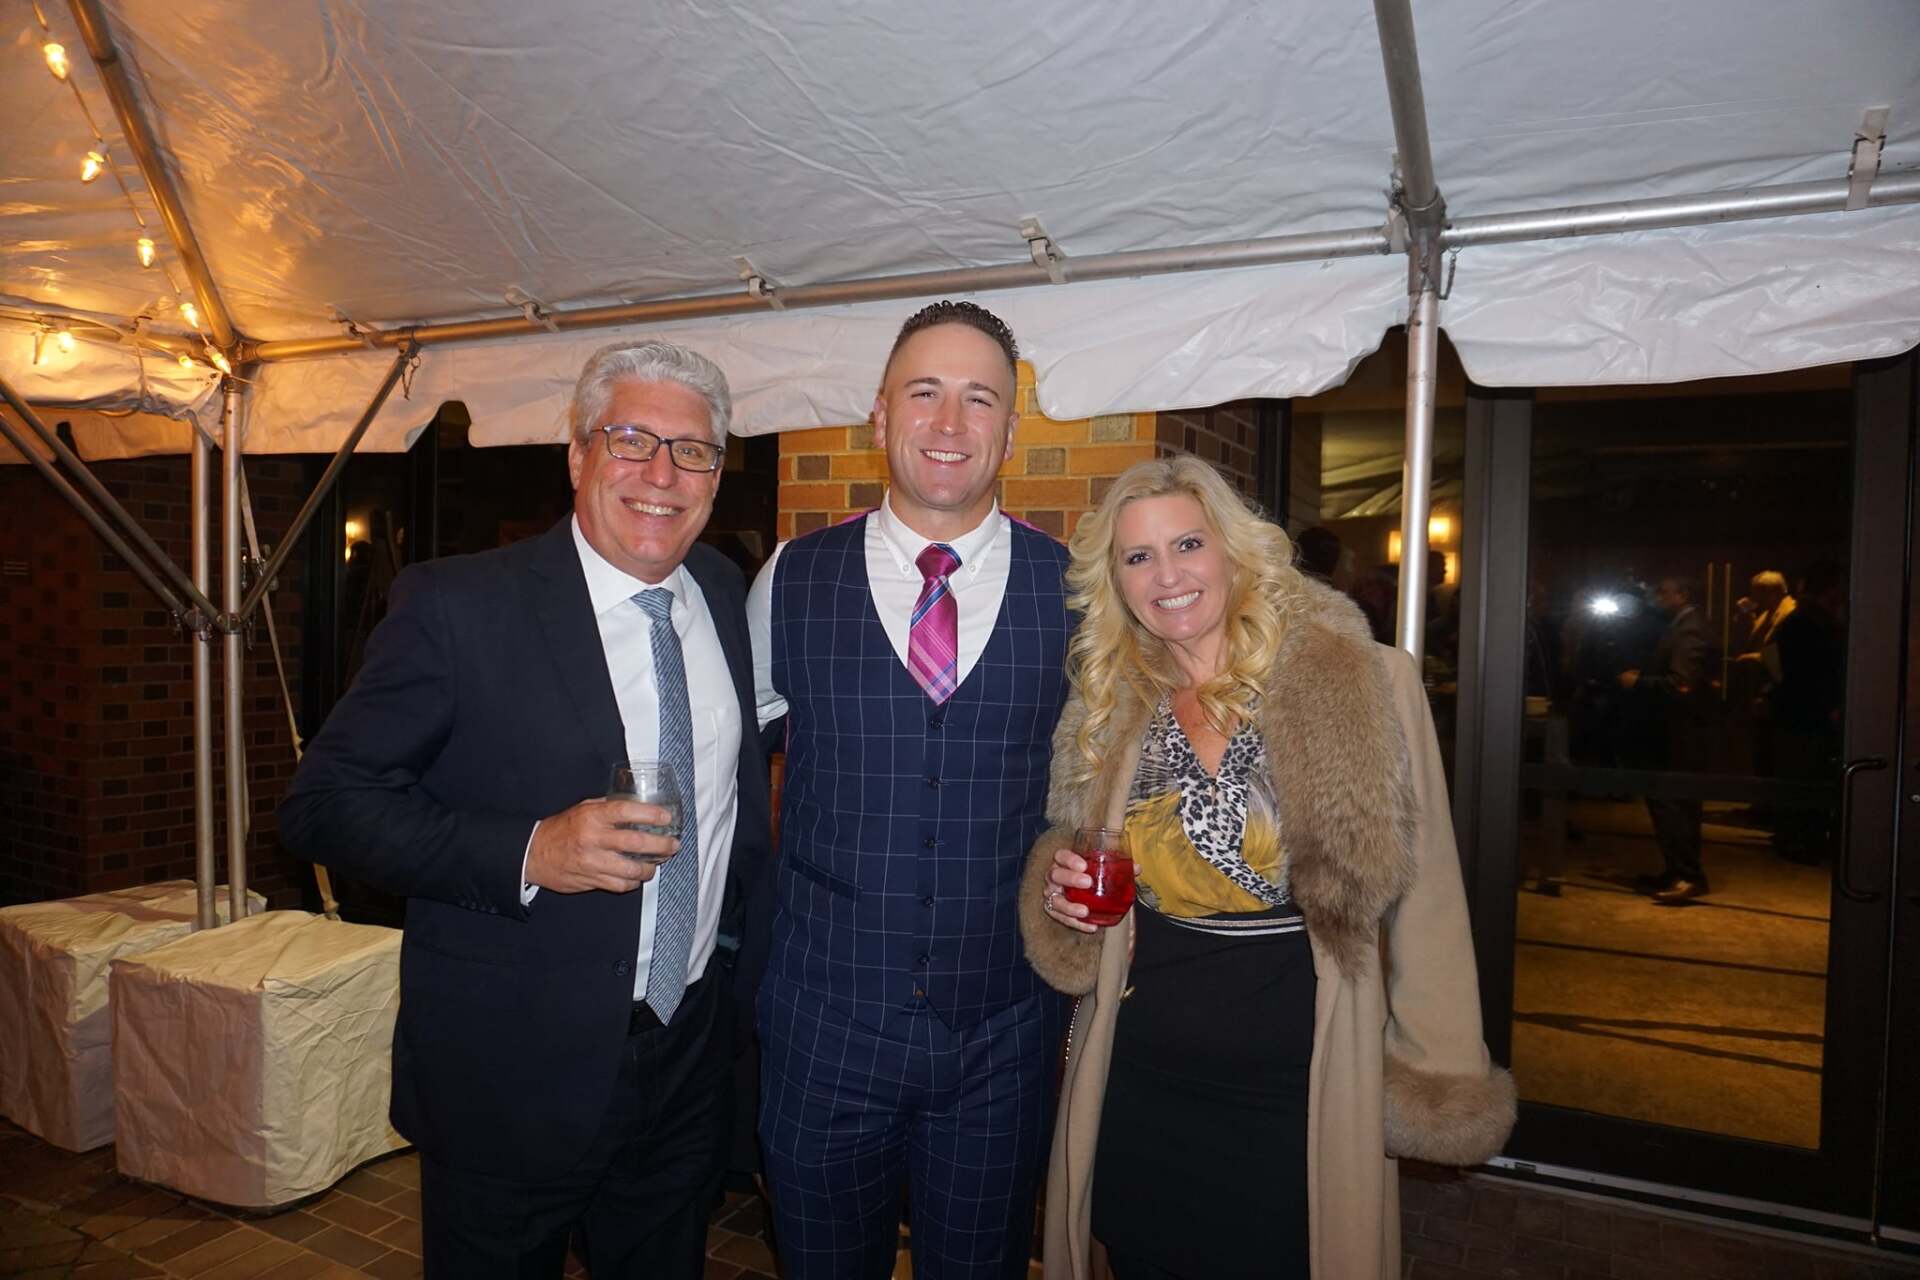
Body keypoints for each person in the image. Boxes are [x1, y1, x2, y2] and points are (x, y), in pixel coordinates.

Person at [279, 340, 772, 1279]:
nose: (661, 474)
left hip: (685, 1053)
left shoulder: (719, 588)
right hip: (511, 1067)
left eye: (693, 451)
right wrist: (530, 850)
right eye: (632, 440)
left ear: (715, 473)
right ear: (578, 455)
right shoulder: (459, 607)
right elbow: (325, 807)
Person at [1020, 455, 1514, 1280]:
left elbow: (1427, 896)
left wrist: (1440, 1070)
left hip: (1301, 1082)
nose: (1167, 575)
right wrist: (1060, 896)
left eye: (1188, 544)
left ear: (1234, 551)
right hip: (1143, 1072)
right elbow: (1078, 855)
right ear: (1116, 580)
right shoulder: (1112, 705)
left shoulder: (1360, 681)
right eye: (1138, 557)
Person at [746, 300, 1072, 1278]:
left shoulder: (1075, 591)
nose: (948, 422)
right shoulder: (790, 580)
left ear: (1011, 430)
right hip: (824, 1032)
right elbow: (723, 760)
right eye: (923, 392)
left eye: (980, 399)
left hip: (1001, 1037)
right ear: (880, 416)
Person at [1620, 576, 1713, 903]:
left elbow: (1681, 684)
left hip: (1680, 733)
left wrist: (1639, 682)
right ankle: (1677, 870)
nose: (1657, 597)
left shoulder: (1689, 628)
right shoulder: (1681, 624)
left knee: (1676, 805)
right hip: (1675, 731)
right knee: (1671, 805)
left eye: (1663, 591)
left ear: (1683, 594)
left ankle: (1687, 875)